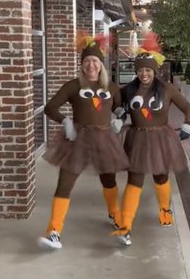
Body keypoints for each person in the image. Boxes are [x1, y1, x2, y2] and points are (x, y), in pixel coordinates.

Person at [38, 32, 129, 249]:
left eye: (95, 61)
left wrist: (120, 119)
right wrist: (65, 121)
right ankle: (54, 231)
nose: (91, 65)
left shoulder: (112, 87)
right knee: (65, 182)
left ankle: (115, 216)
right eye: (87, 61)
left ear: (101, 64)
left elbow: (120, 107)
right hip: (78, 138)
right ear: (82, 64)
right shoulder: (73, 86)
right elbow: (50, 107)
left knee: (109, 180)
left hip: (105, 137)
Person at [113, 32, 190, 246]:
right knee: (135, 180)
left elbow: (187, 108)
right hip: (137, 139)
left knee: (160, 177)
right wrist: (120, 113)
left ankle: (164, 208)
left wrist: (188, 124)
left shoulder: (166, 89)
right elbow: (116, 103)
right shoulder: (129, 89)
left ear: (154, 70)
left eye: (147, 70)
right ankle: (125, 226)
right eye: (140, 70)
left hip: (160, 139)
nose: (144, 74)